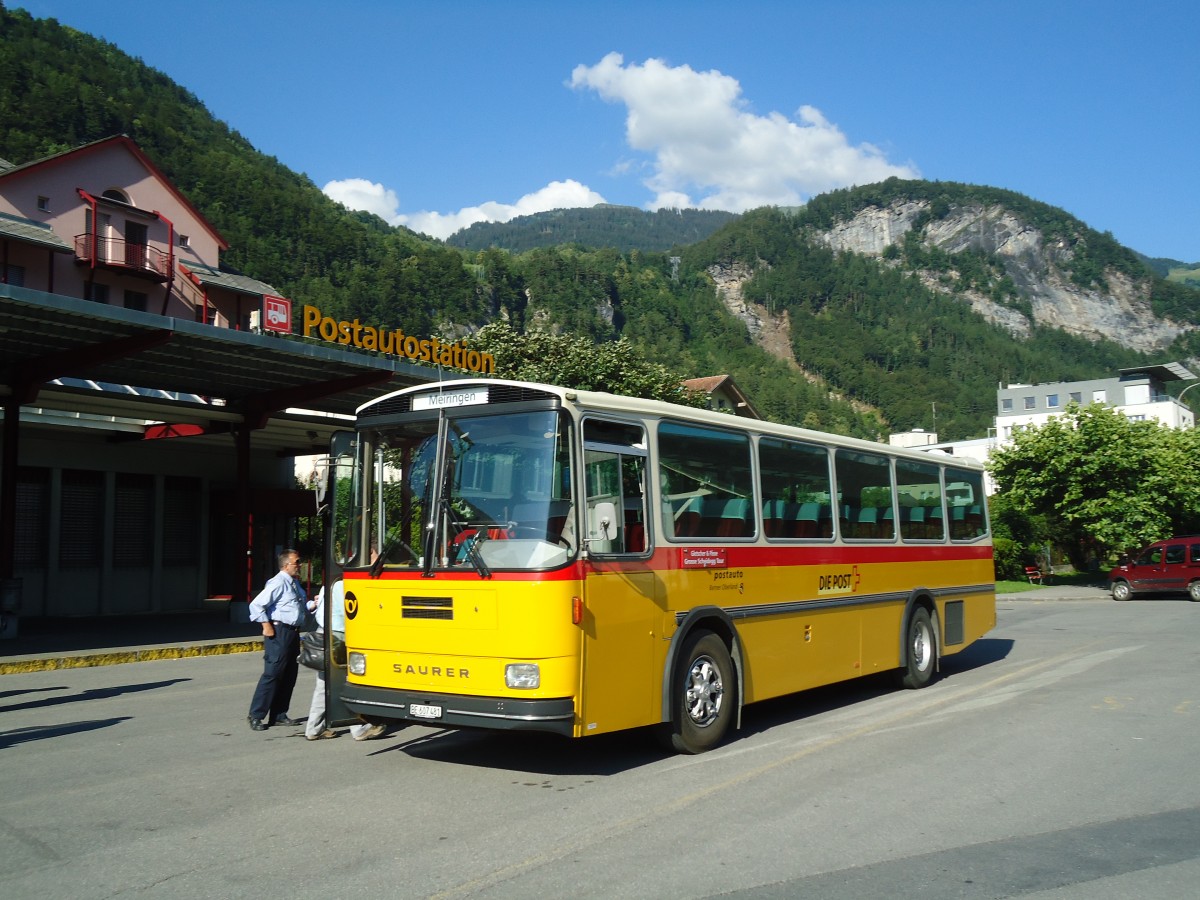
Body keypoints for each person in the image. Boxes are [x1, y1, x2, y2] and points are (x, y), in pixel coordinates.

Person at [305, 572, 387, 742]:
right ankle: (358, 728)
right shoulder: (345, 584)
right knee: (350, 680)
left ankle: (314, 728)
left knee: (324, 684)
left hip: (327, 632)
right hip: (339, 636)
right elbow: (354, 613)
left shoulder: (330, 583)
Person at [246, 549, 308, 731]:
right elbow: (256, 605)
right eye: (297, 562)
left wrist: (315, 603)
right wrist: (266, 625)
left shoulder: (294, 584)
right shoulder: (278, 582)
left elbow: (302, 606)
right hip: (279, 631)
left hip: (293, 632)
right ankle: (256, 715)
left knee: (289, 674)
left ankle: (279, 714)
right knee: (272, 673)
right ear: (286, 565)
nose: (299, 565)